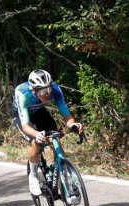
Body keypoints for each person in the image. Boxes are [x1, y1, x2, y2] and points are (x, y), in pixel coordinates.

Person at [12, 69, 83, 198]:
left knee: (55, 139)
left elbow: (66, 115)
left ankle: (61, 173)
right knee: (35, 143)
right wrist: (36, 134)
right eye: (44, 92)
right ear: (34, 90)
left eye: (49, 90)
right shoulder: (23, 93)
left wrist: (73, 124)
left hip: (40, 113)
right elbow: (26, 126)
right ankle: (33, 176)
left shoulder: (55, 89)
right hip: (23, 117)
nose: (48, 95)